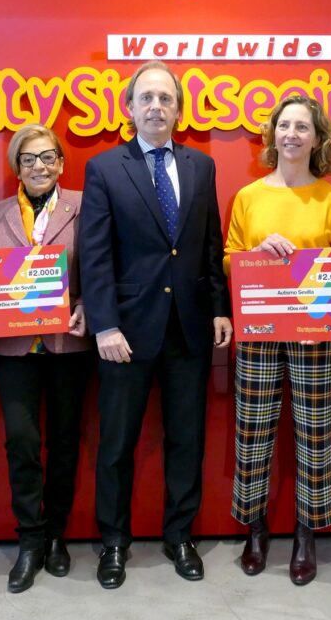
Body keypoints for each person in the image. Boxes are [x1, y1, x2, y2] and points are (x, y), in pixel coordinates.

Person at [78, 60, 232, 589]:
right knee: (117, 443)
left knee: (186, 439)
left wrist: (218, 307)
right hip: (125, 333)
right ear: (129, 107)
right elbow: (94, 254)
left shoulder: (200, 167)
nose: (156, 107)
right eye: (146, 97)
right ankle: (114, 542)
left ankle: (179, 535)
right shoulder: (104, 168)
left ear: (178, 109)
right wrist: (103, 325)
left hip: (188, 327)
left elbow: (210, 244)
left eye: (165, 98)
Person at [223, 96, 331, 585]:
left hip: (316, 336)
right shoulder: (249, 197)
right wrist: (256, 254)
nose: (293, 134)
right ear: (272, 135)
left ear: (317, 139)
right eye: (285, 125)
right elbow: (228, 259)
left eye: (303, 126)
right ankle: (254, 529)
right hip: (258, 331)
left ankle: (306, 532)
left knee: (315, 435)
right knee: (253, 432)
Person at [0, 124, 93, 593]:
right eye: (28, 159)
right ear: (16, 166)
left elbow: (100, 265)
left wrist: (89, 306)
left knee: (66, 442)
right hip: (15, 349)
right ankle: (29, 539)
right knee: (22, 443)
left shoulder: (85, 207)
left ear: (61, 163)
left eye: (47, 157)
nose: (39, 167)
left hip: (68, 344)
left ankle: (55, 536)